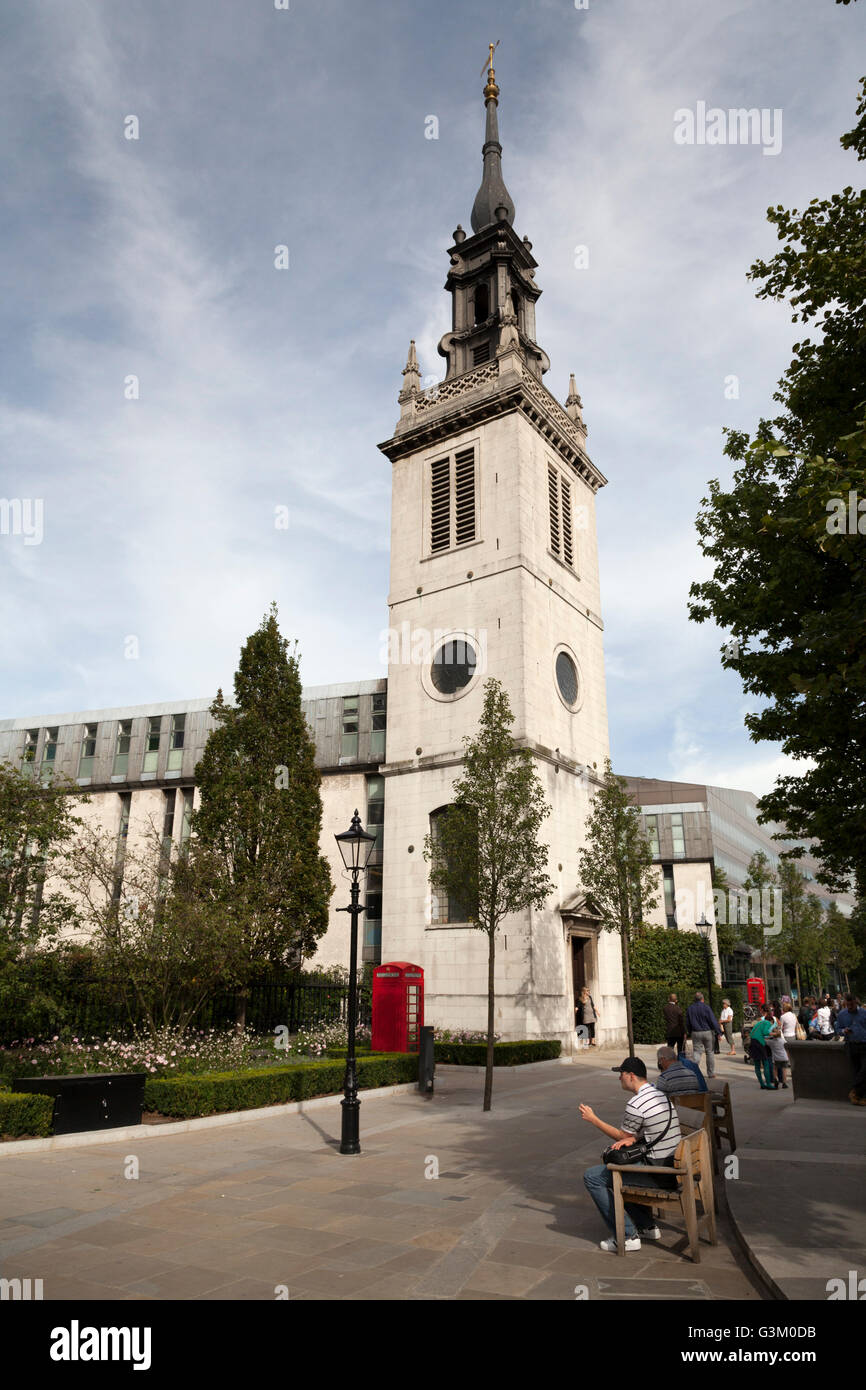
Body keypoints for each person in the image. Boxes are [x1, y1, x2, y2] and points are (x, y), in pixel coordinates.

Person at [580, 1057, 682, 1253]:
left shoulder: (636, 1103)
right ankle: (647, 1226)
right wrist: (634, 1139)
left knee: (593, 1177)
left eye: (621, 1074)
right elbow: (641, 1133)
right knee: (620, 1166)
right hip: (672, 1166)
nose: (619, 1078)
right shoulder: (659, 1094)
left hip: (660, 1174)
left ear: (631, 1076)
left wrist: (593, 1119)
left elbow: (621, 1136)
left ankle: (627, 1236)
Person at [834, 995, 866, 1106]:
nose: (850, 1007)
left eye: (852, 1004)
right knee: (856, 1070)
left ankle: (854, 1090)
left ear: (856, 1003)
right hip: (851, 1045)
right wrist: (844, 1031)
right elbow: (838, 1030)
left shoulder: (863, 1013)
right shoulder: (842, 1014)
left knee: (864, 1069)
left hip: (864, 1043)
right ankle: (860, 1096)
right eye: (848, 1005)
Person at [685, 992, 724, 1078]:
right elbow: (712, 1020)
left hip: (695, 1032)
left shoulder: (690, 1008)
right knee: (709, 1052)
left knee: (697, 1052)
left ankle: (694, 1071)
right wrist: (719, 1032)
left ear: (694, 999)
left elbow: (687, 1023)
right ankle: (711, 1073)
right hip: (707, 1032)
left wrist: (689, 1031)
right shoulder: (706, 1007)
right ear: (702, 999)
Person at [748, 1006, 777, 1089]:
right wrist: (775, 1034)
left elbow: (752, 1032)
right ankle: (768, 1084)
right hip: (759, 1043)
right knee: (766, 1063)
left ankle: (762, 1084)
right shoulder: (767, 1023)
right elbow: (765, 1032)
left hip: (753, 1042)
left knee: (757, 1065)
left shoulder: (759, 1022)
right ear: (771, 1021)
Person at [767, 1019, 789, 1089]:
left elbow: (764, 1041)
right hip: (784, 1057)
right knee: (784, 1070)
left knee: (775, 1069)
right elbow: (787, 1048)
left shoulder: (771, 1042)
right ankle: (784, 1083)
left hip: (776, 1058)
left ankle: (775, 1079)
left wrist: (768, 1035)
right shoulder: (783, 1041)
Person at [662, 992, 686, 1057]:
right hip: (679, 1032)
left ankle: (670, 1063)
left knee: (670, 1049)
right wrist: (684, 1032)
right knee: (681, 1050)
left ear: (668, 999)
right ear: (676, 1000)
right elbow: (681, 1021)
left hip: (670, 1031)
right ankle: (681, 1063)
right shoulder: (678, 1008)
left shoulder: (665, 1008)